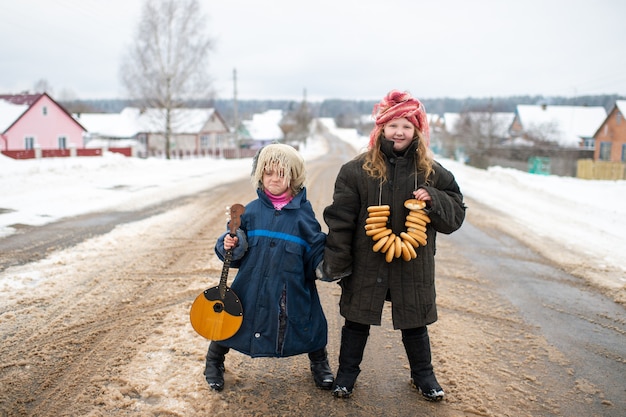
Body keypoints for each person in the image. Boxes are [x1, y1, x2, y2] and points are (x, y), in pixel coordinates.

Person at [322, 90, 466, 401]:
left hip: (413, 261)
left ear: (417, 131)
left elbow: (456, 214)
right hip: (366, 261)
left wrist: (434, 199)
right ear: (381, 129)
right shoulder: (355, 171)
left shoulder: (432, 172)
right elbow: (341, 221)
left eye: (406, 126)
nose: (399, 132)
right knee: (357, 320)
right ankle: (347, 374)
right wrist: (337, 261)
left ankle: (423, 376)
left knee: (415, 322)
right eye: (392, 125)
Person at [204, 143, 334, 392]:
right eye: (268, 172)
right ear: (260, 175)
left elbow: (316, 252)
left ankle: (320, 363)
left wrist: (330, 260)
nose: (274, 179)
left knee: (309, 323)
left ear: (293, 176)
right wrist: (231, 243)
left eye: (281, 173)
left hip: (291, 286)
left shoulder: (304, 217)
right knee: (231, 320)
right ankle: (214, 362)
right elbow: (233, 250)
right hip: (250, 285)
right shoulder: (250, 211)